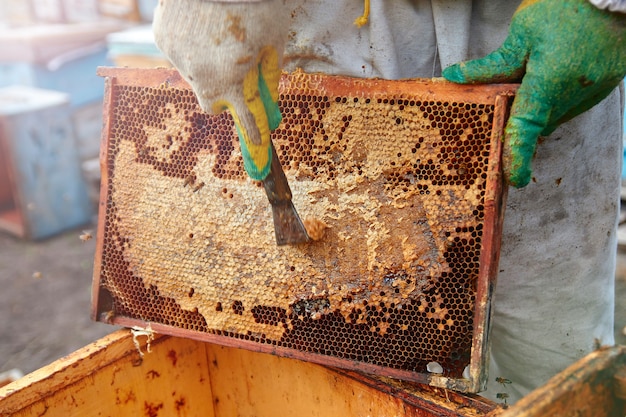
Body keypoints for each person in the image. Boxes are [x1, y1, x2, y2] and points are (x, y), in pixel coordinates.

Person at [153, 0, 626, 403]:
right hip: (335, 35)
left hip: (528, 25)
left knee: (550, 371)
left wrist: (609, 9)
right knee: (340, 368)